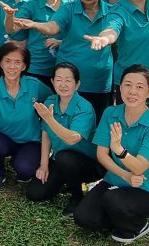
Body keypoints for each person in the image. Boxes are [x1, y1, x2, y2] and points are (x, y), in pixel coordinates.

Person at [72, 64, 149, 244]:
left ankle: (137, 225)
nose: (132, 91)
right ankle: (119, 214)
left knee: (113, 199)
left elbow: (140, 167)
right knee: (84, 217)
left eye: (140, 87)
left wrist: (119, 150)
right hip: (117, 180)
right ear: (119, 87)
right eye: (127, 84)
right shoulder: (111, 113)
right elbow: (102, 154)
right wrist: (125, 175)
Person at [34, 0, 114, 119]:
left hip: (99, 82)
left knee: (97, 124)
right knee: (66, 123)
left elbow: (114, 32)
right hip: (68, 82)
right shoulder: (68, 8)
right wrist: (34, 24)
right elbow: (53, 26)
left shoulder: (111, 11)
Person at [0, 43, 54, 192]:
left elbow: (51, 99)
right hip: (4, 137)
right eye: (8, 61)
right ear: (1, 63)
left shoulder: (34, 85)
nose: (12, 66)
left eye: (18, 62)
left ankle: (19, 160)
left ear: (24, 66)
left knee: (25, 172)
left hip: (30, 140)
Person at [24, 63, 100, 217]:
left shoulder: (84, 108)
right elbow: (45, 134)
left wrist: (49, 119)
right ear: (52, 82)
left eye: (68, 80)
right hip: (60, 160)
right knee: (35, 193)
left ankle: (77, 197)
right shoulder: (50, 102)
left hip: (88, 164)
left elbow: (72, 139)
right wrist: (44, 165)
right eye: (58, 79)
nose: (63, 84)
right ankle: (65, 180)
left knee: (66, 158)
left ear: (77, 84)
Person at [4, 0, 72, 88]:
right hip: (37, 67)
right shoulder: (31, 5)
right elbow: (11, 29)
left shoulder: (70, 5)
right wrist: (9, 16)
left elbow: (79, 35)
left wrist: (61, 42)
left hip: (65, 68)